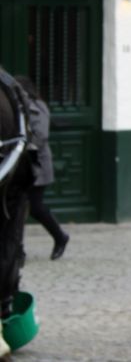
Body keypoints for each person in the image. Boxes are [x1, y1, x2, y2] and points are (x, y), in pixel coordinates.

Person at [16, 77, 69, 261]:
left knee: (35, 207)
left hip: (36, 165)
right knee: (18, 206)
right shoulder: (17, 108)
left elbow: (41, 136)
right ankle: (18, 250)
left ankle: (60, 236)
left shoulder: (36, 107)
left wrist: (20, 149)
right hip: (21, 165)